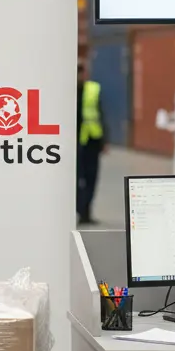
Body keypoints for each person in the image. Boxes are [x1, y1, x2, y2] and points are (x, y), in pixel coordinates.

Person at [77, 57, 107, 225]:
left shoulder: (93, 89)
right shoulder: (64, 90)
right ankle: (80, 209)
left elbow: (101, 114)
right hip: (73, 142)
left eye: (81, 71)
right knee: (75, 179)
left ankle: (86, 213)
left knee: (91, 178)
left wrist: (105, 140)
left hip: (92, 140)